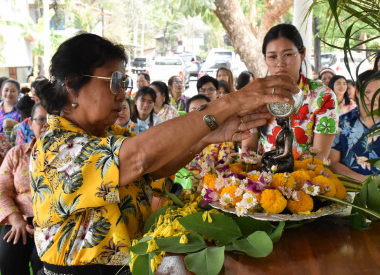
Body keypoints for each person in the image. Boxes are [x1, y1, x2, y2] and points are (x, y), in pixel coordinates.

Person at [30, 32, 297, 274]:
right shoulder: (57, 147)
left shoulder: (111, 135)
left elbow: (154, 168)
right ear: (71, 84)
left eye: (124, 82)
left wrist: (204, 138)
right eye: (114, 81)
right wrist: (231, 102)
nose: (123, 93)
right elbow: (138, 159)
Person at [242, 24, 339, 161]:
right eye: (272, 57)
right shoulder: (256, 95)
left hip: (307, 178)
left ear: (302, 53)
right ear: (265, 58)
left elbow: (318, 155)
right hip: (262, 177)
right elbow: (248, 147)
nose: (280, 63)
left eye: (287, 54)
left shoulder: (323, 96)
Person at [0, 103, 47, 275]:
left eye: (51, 120)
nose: (46, 125)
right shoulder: (17, 153)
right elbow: (1, 190)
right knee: (8, 258)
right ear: (30, 123)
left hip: (51, 224)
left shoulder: (65, 157)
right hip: (18, 220)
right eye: (41, 119)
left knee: (41, 262)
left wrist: (45, 227)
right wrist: (16, 219)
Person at [329, 69, 380, 181]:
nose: (372, 98)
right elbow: (333, 163)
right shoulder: (340, 123)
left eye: (378, 92)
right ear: (357, 91)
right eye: (367, 92)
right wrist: (366, 182)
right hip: (349, 190)